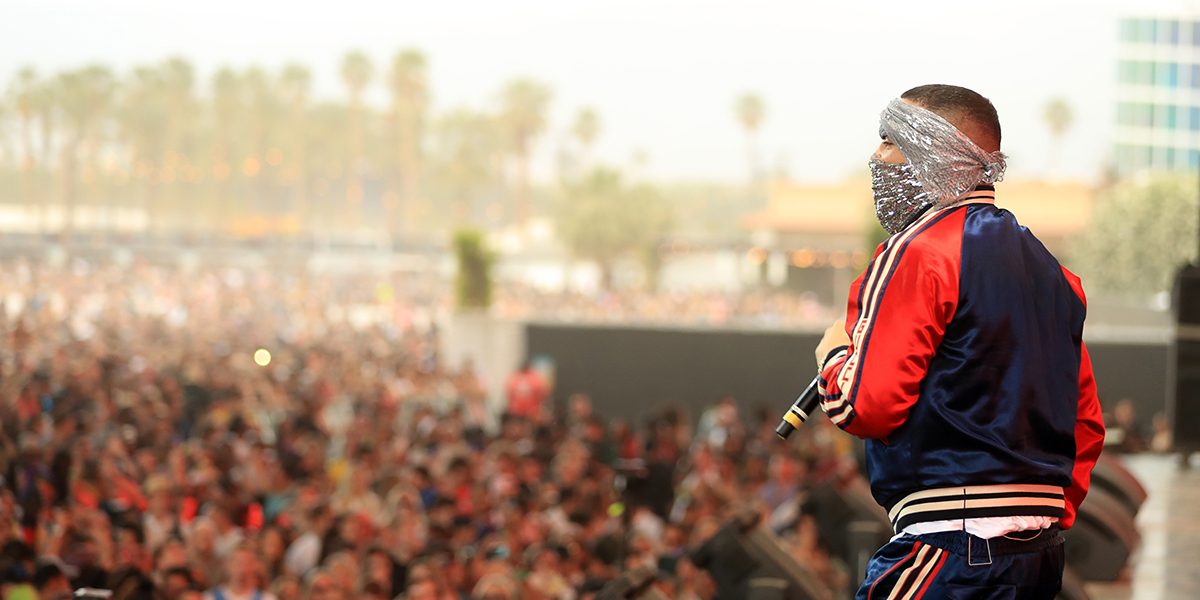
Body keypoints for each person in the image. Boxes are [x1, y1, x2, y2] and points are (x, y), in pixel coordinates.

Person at [812, 84, 1105, 599]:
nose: (877, 156)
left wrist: (834, 354)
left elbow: (866, 406)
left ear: (937, 150)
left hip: (950, 545)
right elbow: (1086, 424)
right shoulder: (1054, 273)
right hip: (1039, 554)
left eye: (890, 139)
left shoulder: (920, 251)